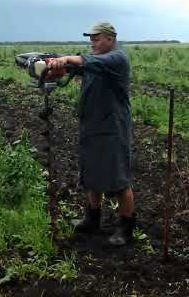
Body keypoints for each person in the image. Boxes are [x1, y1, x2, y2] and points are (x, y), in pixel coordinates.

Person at [49, 22, 135, 246]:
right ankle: (92, 219)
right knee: (90, 174)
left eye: (96, 39)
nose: (92, 43)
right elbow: (77, 67)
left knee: (118, 180)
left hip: (113, 128)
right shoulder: (94, 59)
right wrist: (55, 66)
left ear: (110, 38)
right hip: (91, 126)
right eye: (91, 39)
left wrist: (67, 58)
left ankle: (126, 228)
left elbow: (85, 61)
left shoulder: (117, 59)